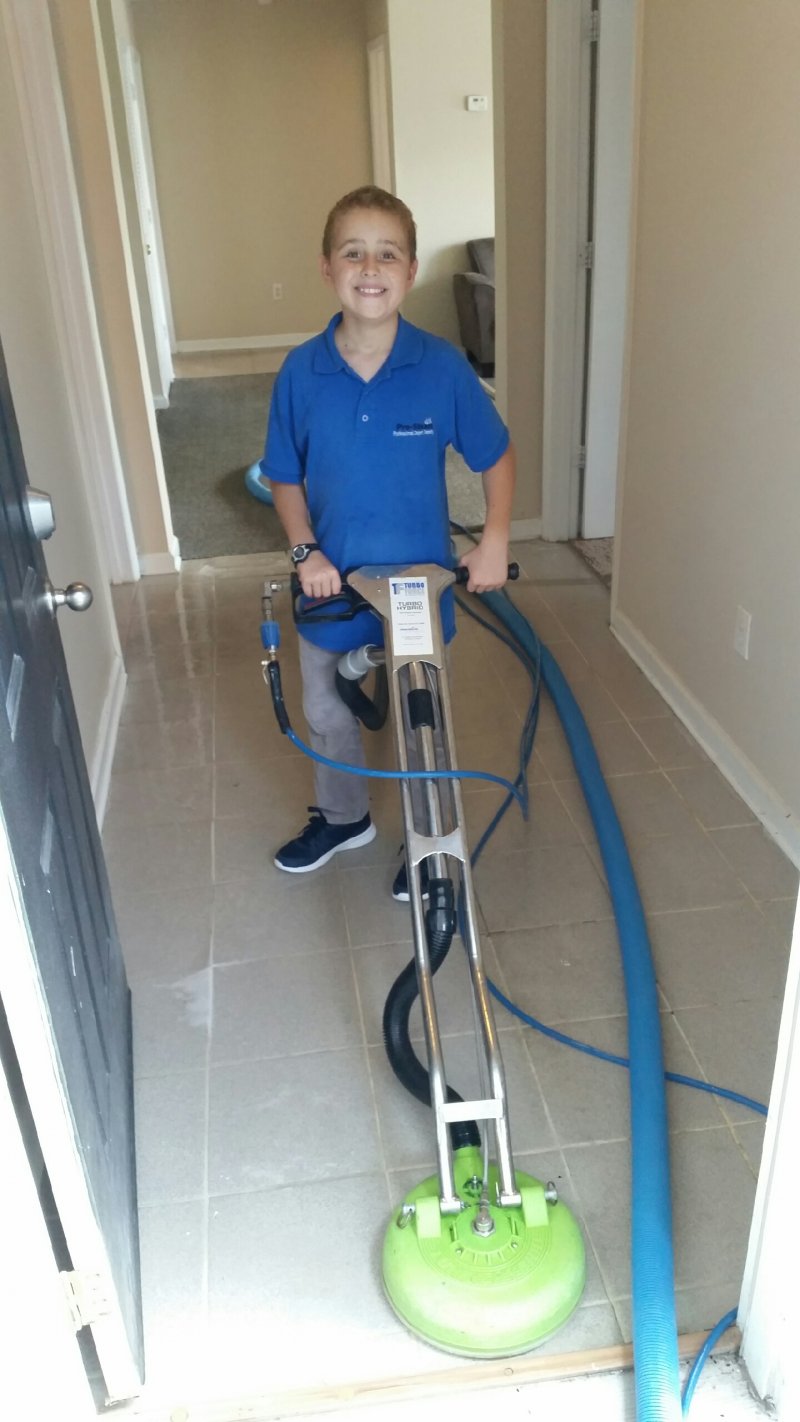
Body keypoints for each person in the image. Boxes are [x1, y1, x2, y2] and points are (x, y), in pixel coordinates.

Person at [261, 185, 516, 894]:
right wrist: (305, 550)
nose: (370, 268)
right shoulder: (301, 373)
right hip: (332, 586)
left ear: (409, 271)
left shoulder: (441, 367)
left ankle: (428, 839)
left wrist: (494, 539)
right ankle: (345, 819)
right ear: (327, 267)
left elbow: (495, 455)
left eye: (388, 254)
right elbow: (283, 474)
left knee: (419, 721)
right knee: (325, 711)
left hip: (416, 588)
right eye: (353, 253)